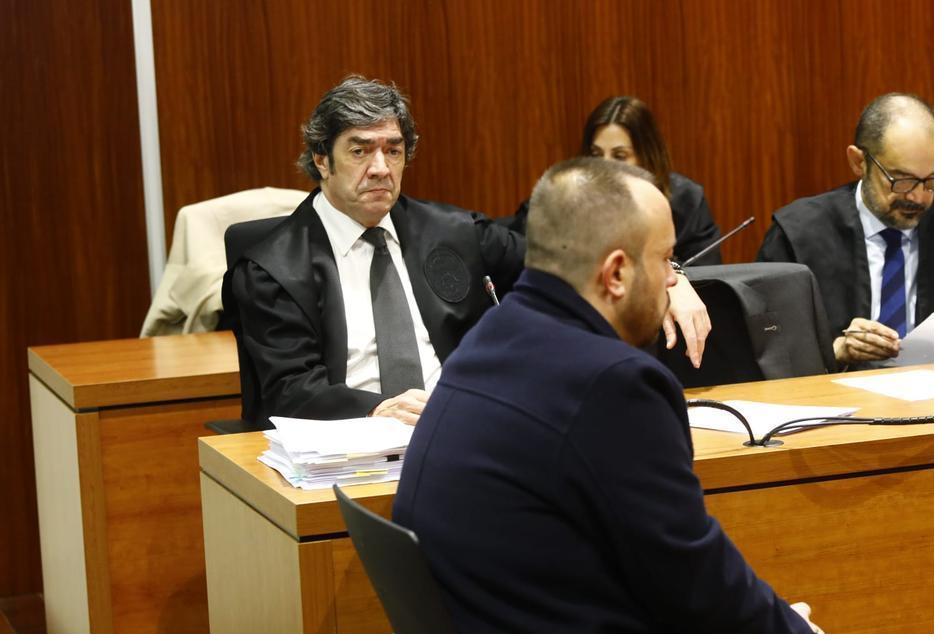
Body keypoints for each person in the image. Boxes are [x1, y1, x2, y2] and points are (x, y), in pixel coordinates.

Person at [393, 157, 833, 634]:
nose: (673, 279)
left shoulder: (490, 335)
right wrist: (793, 632)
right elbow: (689, 576)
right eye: (668, 259)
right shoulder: (614, 382)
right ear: (618, 273)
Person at [225, 77, 711, 429]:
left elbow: (562, 262)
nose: (379, 168)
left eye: (393, 151)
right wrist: (376, 408)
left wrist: (667, 272)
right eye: (359, 151)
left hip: (467, 435)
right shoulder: (272, 266)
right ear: (320, 159)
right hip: (347, 453)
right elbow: (288, 391)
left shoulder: (453, 232)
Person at [757, 93, 934, 367]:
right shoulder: (799, 234)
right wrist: (835, 351)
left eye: (932, 180)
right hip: (836, 401)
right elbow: (767, 343)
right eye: (902, 181)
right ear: (859, 162)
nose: (919, 197)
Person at [502, 95, 724, 266]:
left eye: (619, 156)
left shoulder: (686, 201)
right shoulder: (566, 196)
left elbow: (705, 275)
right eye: (597, 154)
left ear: (646, 157)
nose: (604, 166)